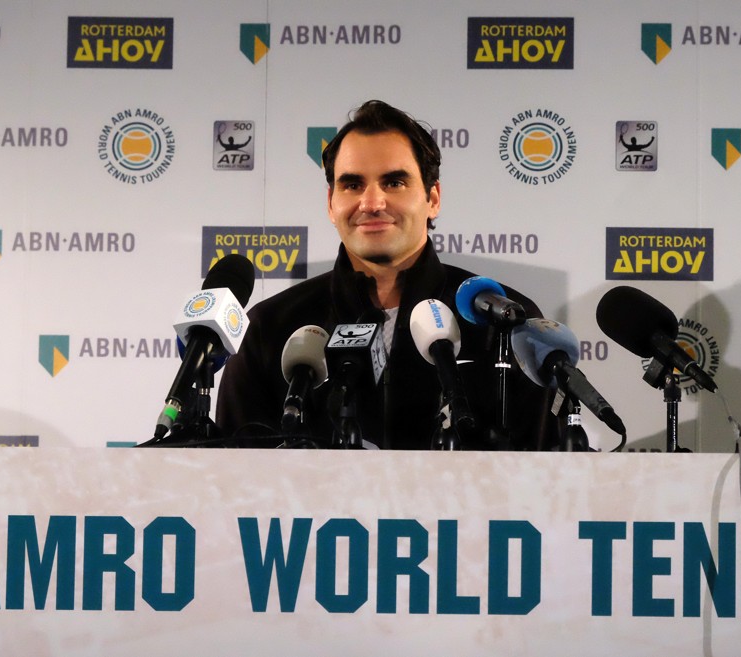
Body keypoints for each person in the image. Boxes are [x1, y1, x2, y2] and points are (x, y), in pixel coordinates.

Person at [216, 100, 555, 450]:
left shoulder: (503, 323)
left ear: (432, 198)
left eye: (394, 182)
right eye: (352, 185)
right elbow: (231, 483)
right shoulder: (269, 328)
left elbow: (548, 477)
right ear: (331, 203)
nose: (372, 202)